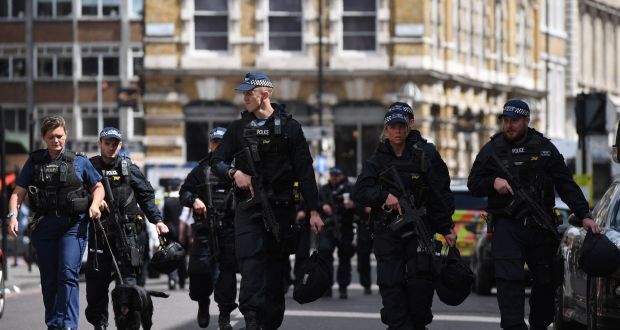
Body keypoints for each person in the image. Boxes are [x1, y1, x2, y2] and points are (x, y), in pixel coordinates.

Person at [467, 99, 600, 330]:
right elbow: (473, 183)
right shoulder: (492, 149)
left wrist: (584, 214)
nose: (509, 125)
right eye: (505, 121)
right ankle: (514, 326)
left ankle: (539, 324)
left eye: (514, 121)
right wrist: (493, 182)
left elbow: (565, 183)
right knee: (509, 281)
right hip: (507, 226)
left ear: (527, 121)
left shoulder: (544, 148)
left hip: (540, 226)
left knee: (548, 280)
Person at [211, 71, 324, 330]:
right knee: (251, 263)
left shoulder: (291, 128)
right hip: (249, 209)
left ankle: (269, 321)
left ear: (266, 94)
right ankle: (250, 318)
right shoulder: (238, 129)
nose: (245, 98)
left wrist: (314, 210)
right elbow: (216, 161)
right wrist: (234, 173)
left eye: (249, 93)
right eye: (244, 94)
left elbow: (305, 171)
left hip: (281, 211)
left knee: (275, 271)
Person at [352, 104, 457, 330]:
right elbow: (359, 192)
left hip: (420, 232)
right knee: (391, 285)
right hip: (388, 233)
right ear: (386, 129)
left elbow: (440, 193)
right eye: (392, 127)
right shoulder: (377, 158)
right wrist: (384, 196)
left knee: (420, 286)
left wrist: (446, 227)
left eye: (401, 126)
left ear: (409, 126)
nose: (397, 131)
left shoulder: (425, 153)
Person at [6, 115, 105, 330]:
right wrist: (12, 215)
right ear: (44, 138)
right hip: (45, 226)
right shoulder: (35, 161)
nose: (56, 141)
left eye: (60, 136)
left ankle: (68, 325)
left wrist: (95, 205)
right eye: (51, 137)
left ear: (66, 135)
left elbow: (98, 187)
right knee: (49, 280)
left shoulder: (80, 161)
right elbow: (18, 192)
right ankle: (54, 324)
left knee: (68, 273)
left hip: (73, 226)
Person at [84, 127, 169, 330]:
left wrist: (157, 220)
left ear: (120, 145)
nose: (111, 147)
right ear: (100, 143)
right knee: (97, 285)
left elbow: (146, 196)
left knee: (128, 288)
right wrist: (93, 201)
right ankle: (100, 324)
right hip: (100, 234)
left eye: (115, 144)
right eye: (107, 143)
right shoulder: (89, 167)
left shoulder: (128, 167)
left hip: (127, 236)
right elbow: (77, 194)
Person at [179, 127, 238, 329]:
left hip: (229, 229)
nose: (218, 146)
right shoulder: (199, 170)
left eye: (222, 143)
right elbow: (184, 193)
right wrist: (194, 200)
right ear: (210, 144)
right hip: (205, 231)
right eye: (215, 142)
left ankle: (224, 315)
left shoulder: (237, 169)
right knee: (197, 272)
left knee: (226, 275)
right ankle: (203, 302)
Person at [318, 167, 356, 299]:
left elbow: (360, 204)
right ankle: (326, 287)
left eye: (336, 175)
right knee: (325, 254)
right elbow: (315, 203)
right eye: (332, 175)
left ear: (342, 175)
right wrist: (323, 206)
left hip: (345, 226)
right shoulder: (324, 189)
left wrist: (353, 205)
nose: (334, 177)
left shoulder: (349, 188)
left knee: (345, 257)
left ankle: (343, 287)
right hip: (328, 227)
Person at [161, 177, 188, 289]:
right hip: (183, 232)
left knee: (170, 256)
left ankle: (172, 279)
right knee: (182, 256)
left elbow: (162, 217)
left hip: (169, 231)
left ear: (169, 187)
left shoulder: (165, 201)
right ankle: (182, 280)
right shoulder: (184, 200)